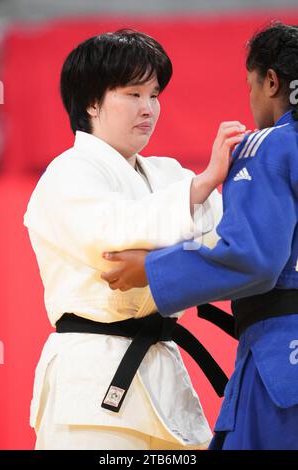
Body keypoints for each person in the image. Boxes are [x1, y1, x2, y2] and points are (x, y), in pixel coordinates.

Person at [23, 29, 245, 450]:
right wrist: (201, 188)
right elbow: (113, 239)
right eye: (133, 94)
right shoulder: (67, 173)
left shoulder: (168, 174)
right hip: (88, 386)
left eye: (154, 95)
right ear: (92, 101)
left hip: (164, 378)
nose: (149, 109)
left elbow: (227, 247)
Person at [101, 23, 298, 450]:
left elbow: (253, 258)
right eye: (134, 94)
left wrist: (152, 269)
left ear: (270, 81)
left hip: (285, 361)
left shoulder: (269, 146)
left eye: (251, 85)